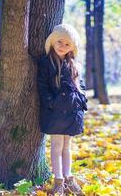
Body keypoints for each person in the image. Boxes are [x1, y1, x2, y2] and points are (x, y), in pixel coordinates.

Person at [37, 24, 88, 196]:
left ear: (72, 47)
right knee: (57, 146)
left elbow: (80, 86)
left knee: (68, 146)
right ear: (52, 41)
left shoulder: (73, 64)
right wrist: (52, 103)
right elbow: (42, 87)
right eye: (60, 42)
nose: (62, 46)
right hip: (55, 113)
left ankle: (68, 178)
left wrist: (82, 101)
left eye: (67, 44)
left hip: (72, 113)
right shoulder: (45, 63)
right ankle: (58, 181)